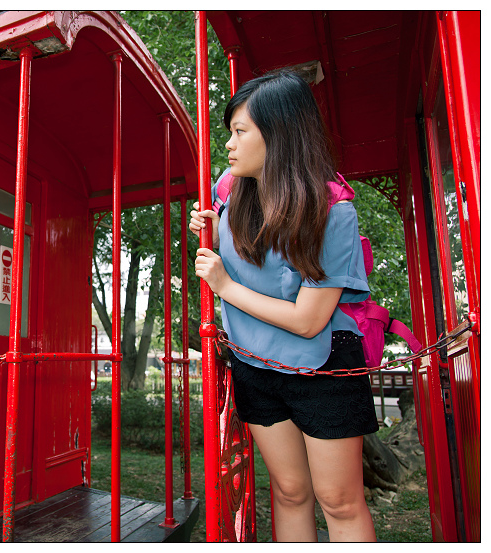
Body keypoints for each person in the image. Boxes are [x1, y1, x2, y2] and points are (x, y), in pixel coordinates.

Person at [189, 70, 378, 542]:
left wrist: (224, 285)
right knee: (290, 491)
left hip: (323, 367)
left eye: (239, 132)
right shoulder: (229, 190)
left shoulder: (332, 210)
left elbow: (309, 320)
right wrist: (209, 223)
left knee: (339, 499)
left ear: (279, 134)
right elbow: (233, 240)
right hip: (255, 364)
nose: (229, 145)